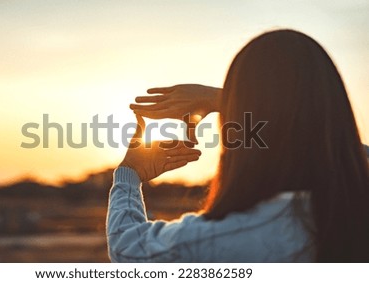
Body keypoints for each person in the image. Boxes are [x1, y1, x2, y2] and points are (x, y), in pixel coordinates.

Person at [106, 29, 369, 262]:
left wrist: (130, 172)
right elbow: (336, 146)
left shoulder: (226, 237)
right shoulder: (353, 215)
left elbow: (127, 247)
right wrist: (223, 100)